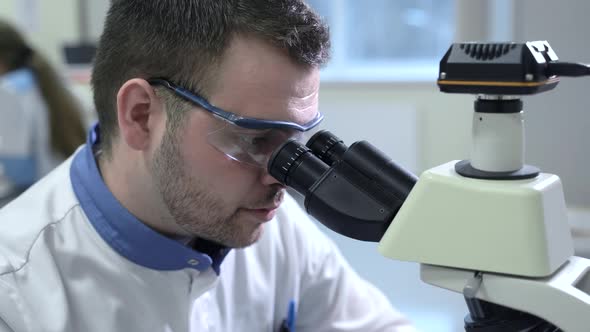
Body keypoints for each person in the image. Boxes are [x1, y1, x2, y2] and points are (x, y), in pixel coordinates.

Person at [0, 1, 417, 331]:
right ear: (142, 115)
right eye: (255, 139)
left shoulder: (275, 227)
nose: (281, 179)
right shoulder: (15, 293)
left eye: (297, 141)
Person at [0, 20, 87, 206]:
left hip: (34, 198)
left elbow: (19, 172)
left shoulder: (9, 91)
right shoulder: (49, 79)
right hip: (64, 191)